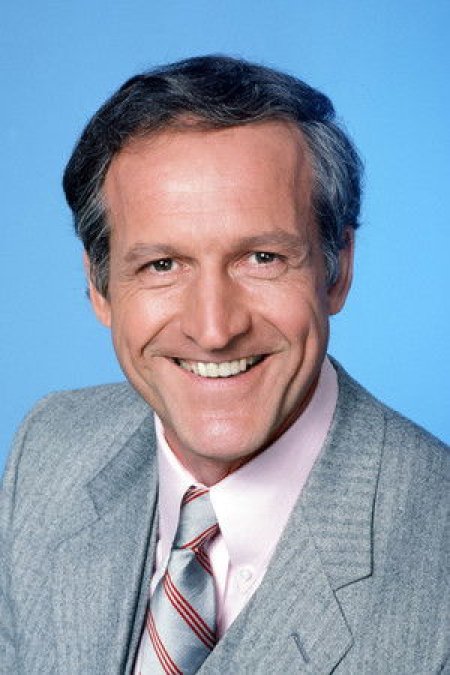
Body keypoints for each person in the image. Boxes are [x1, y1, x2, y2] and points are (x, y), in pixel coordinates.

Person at [1, 55, 448, 675]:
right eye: (161, 265)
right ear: (99, 286)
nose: (214, 331)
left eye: (262, 258)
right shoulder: (49, 449)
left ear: (337, 269)